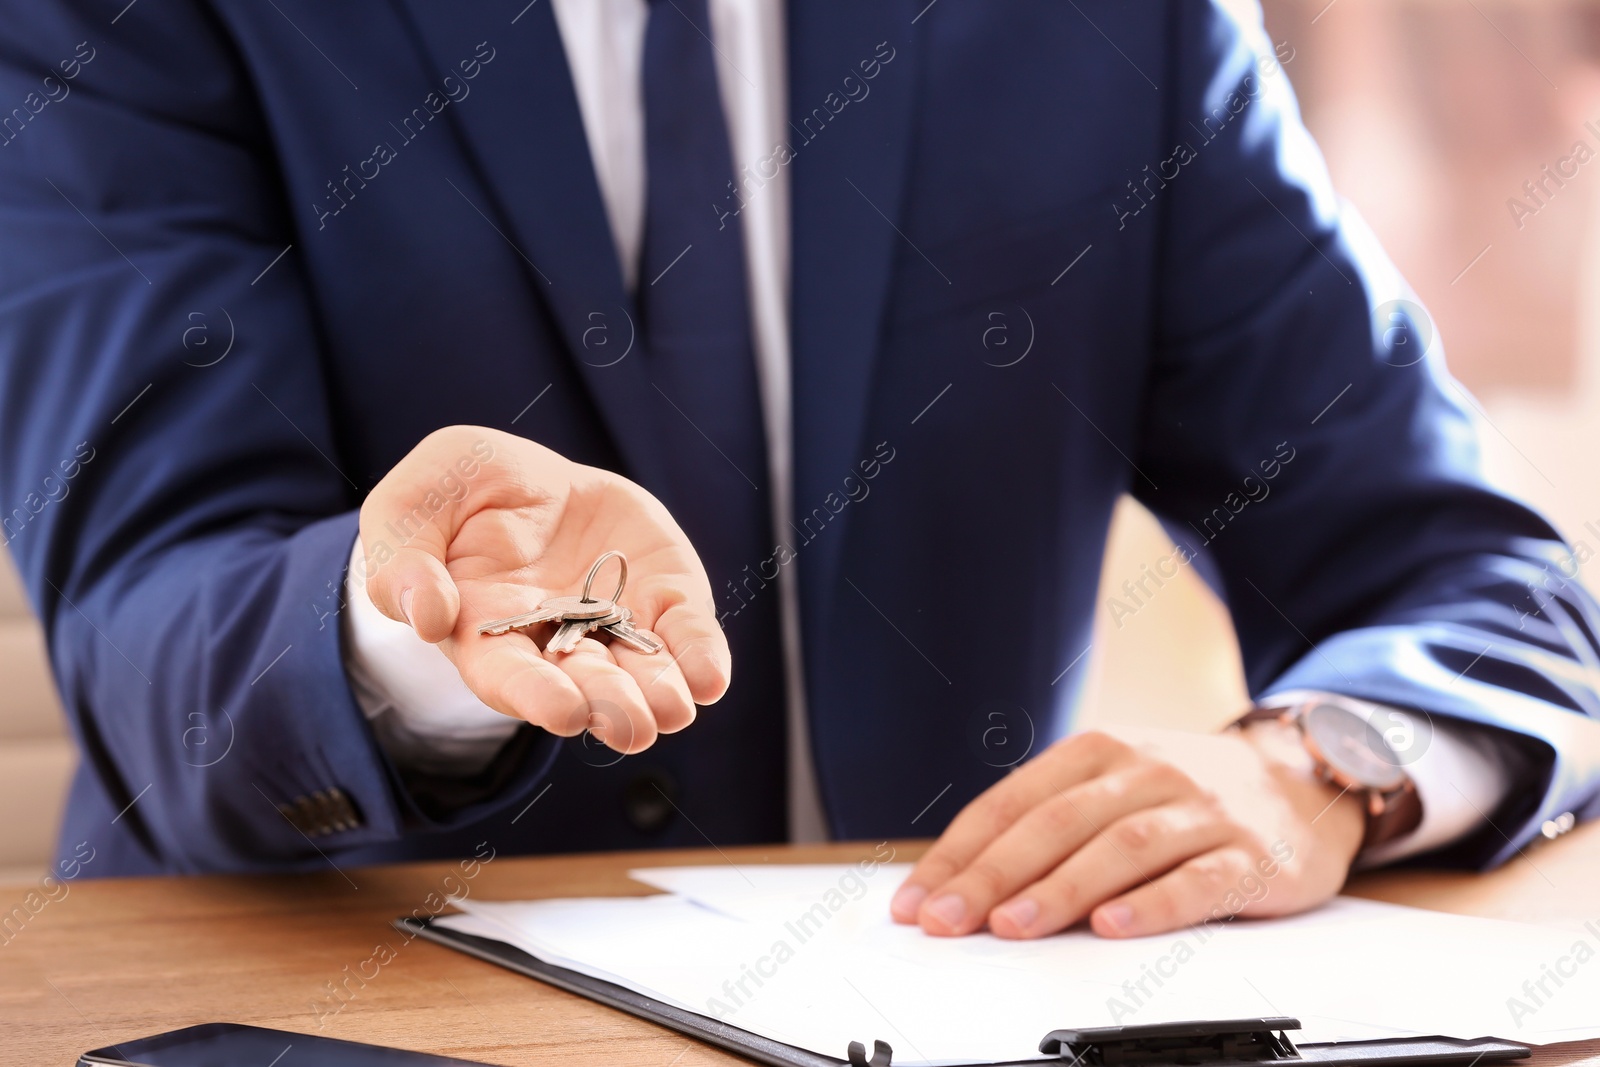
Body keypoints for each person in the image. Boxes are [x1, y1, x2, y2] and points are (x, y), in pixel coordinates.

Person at [2, 0, 1597, 944]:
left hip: (957, 995)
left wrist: (1321, 761)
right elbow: (151, 618)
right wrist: (405, 631)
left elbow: (1479, 581)